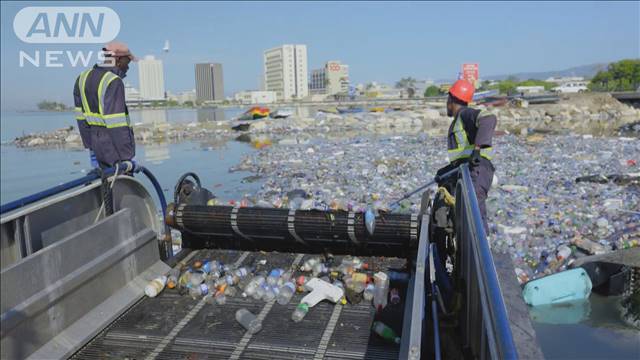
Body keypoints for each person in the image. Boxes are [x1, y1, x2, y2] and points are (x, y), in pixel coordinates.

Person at [436, 79, 497, 233]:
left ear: (451, 100)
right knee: (443, 180)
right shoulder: (458, 120)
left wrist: (477, 149)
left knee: (474, 210)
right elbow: (461, 155)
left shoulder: (466, 114)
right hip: (466, 168)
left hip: (477, 169)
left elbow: (489, 119)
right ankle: (449, 232)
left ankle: (482, 247)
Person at [73, 41, 136, 169]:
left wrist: (90, 147)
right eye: (127, 63)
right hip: (113, 148)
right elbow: (116, 123)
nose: (128, 68)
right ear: (118, 60)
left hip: (95, 145)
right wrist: (127, 157)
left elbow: (80, 117)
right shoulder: (113, 81)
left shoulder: (82, 78)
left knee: (102, 183)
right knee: (121, 185)